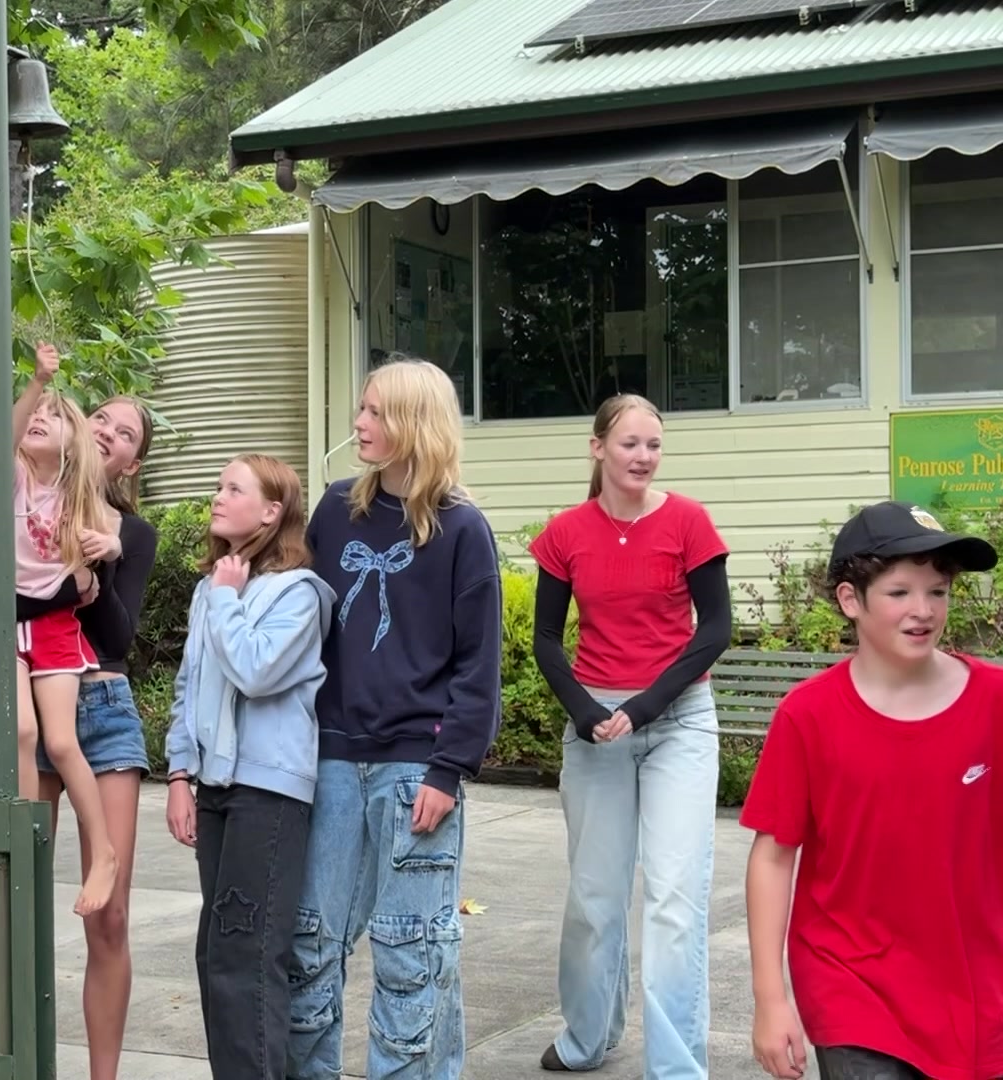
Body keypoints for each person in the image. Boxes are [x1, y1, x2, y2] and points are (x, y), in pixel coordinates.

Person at [286, 357, 503, 1080]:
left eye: (375, 412)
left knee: (412, 950)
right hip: (332, 759)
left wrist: (449, 767)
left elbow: (478, 665)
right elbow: (299, 625)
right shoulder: (335, 508)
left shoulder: (463, 530)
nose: (359, 424)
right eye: (361, 409)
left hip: (417, 768)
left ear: (414, 422)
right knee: (311, 946)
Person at [743, 501, 1002, 1080]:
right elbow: (773, 856)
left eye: (938, 591)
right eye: (900, 592)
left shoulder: (994, 702)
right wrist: (770, 997)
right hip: (853, 981)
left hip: (978, 985)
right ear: (850, 600)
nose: (923, 610)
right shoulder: (808, 716)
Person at [528, 394, 732, 1079]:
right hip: (596, 729)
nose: (643, 457)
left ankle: (676, 1068)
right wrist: (585, 711)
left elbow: (714, 631)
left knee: (674, 898)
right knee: (594, 896)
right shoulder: (566, 533)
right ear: (598, 449)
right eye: (630, 445)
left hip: (677, 721)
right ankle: (589, 1036)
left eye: (653, 445)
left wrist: (643, 708)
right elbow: (547, 641)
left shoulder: (688, 521)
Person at [0, 391, 158, 1080]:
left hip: (97, 705)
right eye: (100, 417)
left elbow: (119, 637)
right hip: (26, 699)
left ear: (132, 463)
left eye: (125, 432)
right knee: (14, 904)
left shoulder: (127, 530)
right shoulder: (19, 494)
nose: (108, 431)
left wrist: (93, 573)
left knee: (109, 918)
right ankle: (18, 1062)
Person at [164, 454, 336, 1080]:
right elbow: (190, 686)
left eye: (232, 488)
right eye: (218, 486)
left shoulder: (302, 594)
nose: (217, 497)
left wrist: (228, 602)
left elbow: (256, 671)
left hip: (268, 791)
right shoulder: (212, 588)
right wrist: (180, 775)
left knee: (248, 955)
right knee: (217, 956)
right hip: (214, 788)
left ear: (271, 511)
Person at [9, 341, 122, 917]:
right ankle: (30, 846)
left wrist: (109, 544)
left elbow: (112, 535)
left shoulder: (78, 494)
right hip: (8, 625)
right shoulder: (14, 478)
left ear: (72, 442)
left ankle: (103, 852)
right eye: (35, 413)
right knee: (21, 735)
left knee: (59, 740)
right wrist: (36, 383)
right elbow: (3, 435)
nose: (37, 420)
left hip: (54, 625)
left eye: (52, 417)